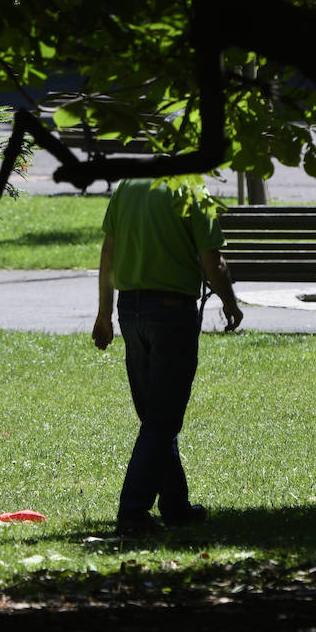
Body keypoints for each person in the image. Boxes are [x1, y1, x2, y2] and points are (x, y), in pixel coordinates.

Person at [92, 177, 243, 536]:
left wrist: (104, 314)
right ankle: (132, 512)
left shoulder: (127, 186)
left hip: (131, 312)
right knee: (162, 418)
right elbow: (213, 261)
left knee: (155, 415)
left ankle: (175, 505)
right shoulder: (191, 189)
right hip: (172, 312)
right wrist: (231, 303)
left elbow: (108, 252)